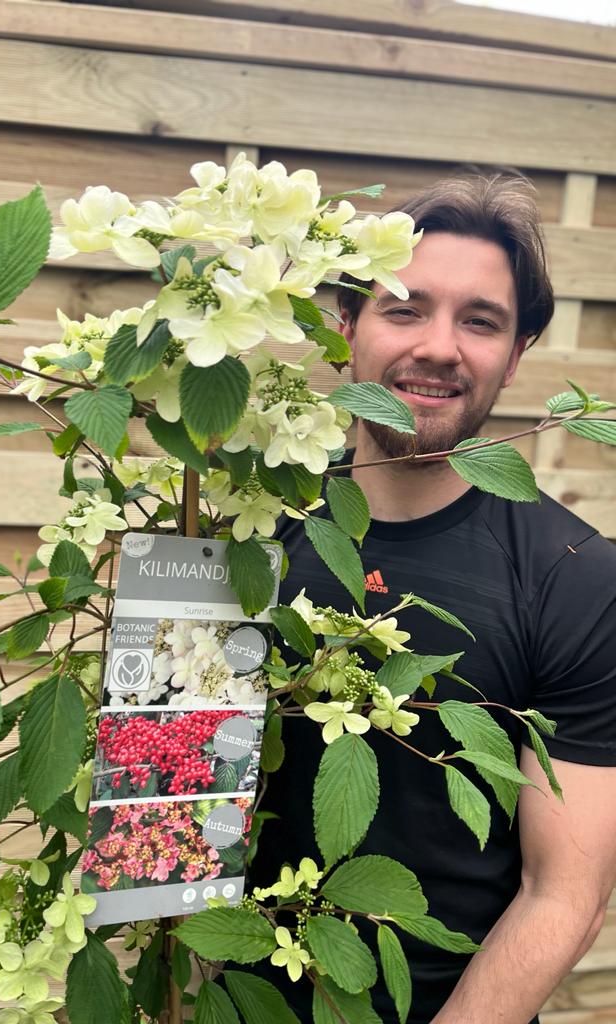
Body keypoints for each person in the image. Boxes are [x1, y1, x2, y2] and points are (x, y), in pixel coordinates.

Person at [250, 172, 616, 1024]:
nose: (441, 347)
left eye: (480, 320)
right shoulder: (243, 531)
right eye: (405, 307)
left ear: (517, 353)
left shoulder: (576, 578)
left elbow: (562, 893)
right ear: (347, 327)